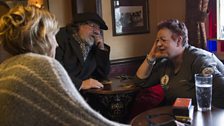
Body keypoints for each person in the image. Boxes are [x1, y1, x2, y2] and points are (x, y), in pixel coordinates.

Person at [0, 5, 128, 126]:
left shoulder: (8, 65)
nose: (55, 44)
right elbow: (82, 119)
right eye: (51, 36)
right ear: (38, 39)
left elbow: (104, 72)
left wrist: (101, 47)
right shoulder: (43, 63)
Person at [134, 19, 224, 113]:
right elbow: (140, 81)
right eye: (157, 40)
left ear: (179, 41)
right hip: (181, 117)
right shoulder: (165, 62)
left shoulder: (199, 59)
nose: (158, 44)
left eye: (163, 40)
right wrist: (151, 55)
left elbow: (221, 89)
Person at [55, 12, 110, 90]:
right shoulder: (61, 37)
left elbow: (103, 75)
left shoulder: (94, 44)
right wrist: (81, 84)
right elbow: (56, 70)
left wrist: (101, 49)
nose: (97, 32)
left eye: (99, 29)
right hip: (63, 92)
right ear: (79, 25)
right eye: (93, 26)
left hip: (87, 94)